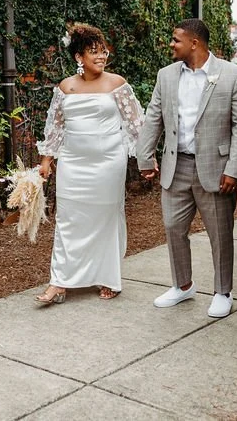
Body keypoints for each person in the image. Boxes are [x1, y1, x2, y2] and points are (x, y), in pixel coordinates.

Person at [136, 18, 237, 318]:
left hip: (216, 168)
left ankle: (223, 292)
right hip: (177, 165)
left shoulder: (233, 75)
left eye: (176, 40)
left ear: (194, 43)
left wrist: (235, 169)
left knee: (220, 233)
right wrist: (145, 158)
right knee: (174, 227)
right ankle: (183, 285)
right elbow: (153, 118)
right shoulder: (166, 75)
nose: (171, 45)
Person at [34, 23, 145, 305]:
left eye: (103, 51)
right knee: (68, 220)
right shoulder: (66, 87)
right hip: (73, 162)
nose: (101, 56)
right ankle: (59, 282)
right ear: (78, 57)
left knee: (106, 218)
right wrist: (46, 160)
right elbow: (55, 128)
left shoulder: (117, 84)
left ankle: (108, 276)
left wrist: (147, 159)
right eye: (93, 52)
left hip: (109, 161)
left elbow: (136, 126)